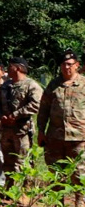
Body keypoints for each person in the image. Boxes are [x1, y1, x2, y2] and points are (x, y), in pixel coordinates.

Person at [38, 50, 85, 189]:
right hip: (55, 137)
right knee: (56, 174)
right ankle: (59, 206)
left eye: (70, 64)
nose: (67, 67)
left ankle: (79, 206)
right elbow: (43, 110)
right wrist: (41, 131)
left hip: (79, 138)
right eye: (64, 64)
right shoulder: (54, 84)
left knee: (80, 174)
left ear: (77, 65)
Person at [0, 57, 43, 184]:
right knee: (8, 160)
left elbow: (36, 104)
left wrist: (16, 115)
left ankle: (25, 191)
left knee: (23, 161)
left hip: (22, 130)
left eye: (10, 67)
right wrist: (0, 115)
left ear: (18, 68)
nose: (7, 70)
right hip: (6, 129)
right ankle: (10, 188)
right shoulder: (5, 85)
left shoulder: (31, 85)